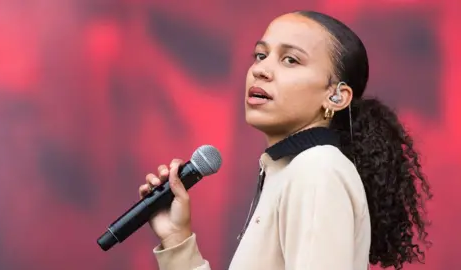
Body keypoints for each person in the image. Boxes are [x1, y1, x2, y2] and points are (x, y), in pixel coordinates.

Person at [139, 10, 432, 270]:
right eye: (260, 55)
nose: (260, 70)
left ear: (336, 96)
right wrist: (177, 239)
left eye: (290, 60)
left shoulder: (318, 169)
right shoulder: (289, 171)